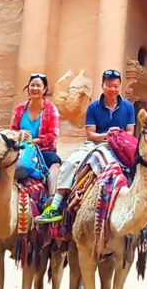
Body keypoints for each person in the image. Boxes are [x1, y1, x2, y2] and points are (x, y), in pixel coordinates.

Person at [35, 68, 135, 223]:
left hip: (119, 147)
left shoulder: (128, 107)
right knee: (71, 162)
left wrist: (118, 135)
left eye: (115, 86)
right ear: (102, 86)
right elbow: (91, 134)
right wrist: (107, 135)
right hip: (96, 144)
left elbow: (130, 132)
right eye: (109, 86)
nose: (112, 89)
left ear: (120, 86)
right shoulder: (93, 107)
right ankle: (55, 205)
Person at [0, 73, 61, 206]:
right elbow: (13, 130)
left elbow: (53, 134)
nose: (34, 88)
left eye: (38, 86)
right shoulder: (20, 108)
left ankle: (52, 197)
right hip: (20, 147)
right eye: (32, 85)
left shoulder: (51, 109)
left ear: (44, 89)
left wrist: (33, 141)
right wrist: (20, 135)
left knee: (55, 163)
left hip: (43, 149)